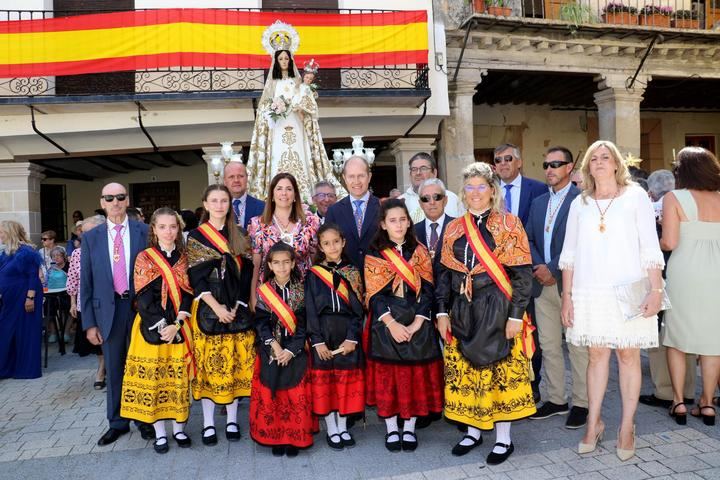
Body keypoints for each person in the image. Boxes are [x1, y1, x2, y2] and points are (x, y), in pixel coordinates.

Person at [560, 140, 665, 461]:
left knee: (629, 357)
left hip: (629, 290)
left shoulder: (635, 197)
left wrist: (656, 291)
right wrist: (567, 297)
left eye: (606, 157)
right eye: (594, 159)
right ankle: (594, 423)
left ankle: (626, 427)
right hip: (590, 291)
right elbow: (570, 253)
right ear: (588, 167)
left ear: (617, 164)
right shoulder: (580, 203)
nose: (600, 162)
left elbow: (650, 246)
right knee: (595, 356)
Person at [435, 162, 535, 465]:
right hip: (462, 310)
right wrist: (441, 312)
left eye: (481, 186)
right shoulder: (453, 227)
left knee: (497, 373)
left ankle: (503, 439)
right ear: (463, 193)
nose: (475, 192)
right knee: (467, 373)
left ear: (493, 191)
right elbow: (443, 274)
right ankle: (473, 431)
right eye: (470, 187)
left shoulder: (509, 224)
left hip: (498, 308)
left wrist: (516, 316)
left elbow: (522, 275)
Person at [364, 198, 443, 453]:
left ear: (409, 222)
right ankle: (391, 429)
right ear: (383, 225)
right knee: (390, 380)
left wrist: (419, 320)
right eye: (392, 221)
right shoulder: (374, 253)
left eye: (402, 219)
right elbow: (374, 295)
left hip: (417, 322)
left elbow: (429, 289)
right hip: (386, 323)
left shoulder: (419, 251)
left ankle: (408, 429)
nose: (398, 225)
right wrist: (391, 324)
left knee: (413, 377)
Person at [80, 182, 153, 445]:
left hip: (139, 310)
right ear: (102, 202)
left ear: (127, 200)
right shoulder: (91, 237)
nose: (115, 202)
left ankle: (145, 420)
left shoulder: (144, 231)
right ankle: (117, 422)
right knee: (114, 369)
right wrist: (89, 323)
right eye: (109, 198)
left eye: (120, 197)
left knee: (141, 367)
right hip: (106, 311)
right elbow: (85, 282)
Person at [121, 208, 195, 454]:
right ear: (153, 229)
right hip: (151, 326)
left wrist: (178, 324)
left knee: (177, 380)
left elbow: (187, 293)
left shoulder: (185, 256)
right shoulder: (145, 257)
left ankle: (179, 429)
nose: (168, 231)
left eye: (173, 226)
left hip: (179, 326)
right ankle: (160, 433)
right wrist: (164, 326)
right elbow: (142, 298)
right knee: (156, 381)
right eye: (162, 227)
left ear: (179, 228)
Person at [187, 184, 255, 446]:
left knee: (234, 366)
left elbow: (246, 273)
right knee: (209, 369)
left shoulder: (239, 234)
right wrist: (216, 307)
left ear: (230, 204)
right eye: (213, 201)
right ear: (205, 204)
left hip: (236, 309)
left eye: (223, 200)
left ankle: (232, 421)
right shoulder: (196, 236)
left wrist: (237, 305)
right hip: (208, 308)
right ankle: (207, 425)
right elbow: (195, 276)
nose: (219, 205)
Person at [526, 147, 588, 429]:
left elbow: (579, 244)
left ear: (569, 167)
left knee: (576, 346)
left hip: (572, 285)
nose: (549, 169)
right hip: (543, 286)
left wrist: (551, 268)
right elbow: (528, 238)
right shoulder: (539, 202)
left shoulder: (582, 201)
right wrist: (540, 267)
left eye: (556, 164)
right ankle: (556, 400)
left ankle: (583, 402)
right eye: (546, 164)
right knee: (549, 345)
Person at [246, 21, 342, 202]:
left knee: (299, 153)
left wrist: (300, 104)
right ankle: (276, 191)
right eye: (280, 59)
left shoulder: (297, 81)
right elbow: (263, 108)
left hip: (296, 124)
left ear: (290, 60)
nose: (283, 62)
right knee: (278, 155)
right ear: (275, 60)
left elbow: (306, 100)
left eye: (286, 59)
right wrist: (275, 107)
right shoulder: (272, 84)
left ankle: (304, 193)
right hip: (278, 126)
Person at [661, 147, 720, 427]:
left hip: (686, 272)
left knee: (677, 339)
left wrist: (660, 231)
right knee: (712, 342)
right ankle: (707, 403)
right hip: (716, 274)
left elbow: (669, 243)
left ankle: (679, 401)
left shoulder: (675, 197)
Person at [250, 242, 317, 457]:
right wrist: (274, 345)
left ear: (293, 263)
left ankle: (294, 438)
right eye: (276, 263)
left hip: (295, 349)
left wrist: (291, 350)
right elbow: (260, 322)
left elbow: (305, 322)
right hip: (271, 349)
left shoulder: (302, 288)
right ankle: (275, 437)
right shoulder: (264, 291)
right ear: (269, 264)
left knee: (293, 395)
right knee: (274, 394)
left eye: (286, 262)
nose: (281, 267)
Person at [493, 143, 546, 401]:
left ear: (519, 161)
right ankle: (507, 385)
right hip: (496, 277)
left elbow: (541, 230)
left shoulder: (538, 189)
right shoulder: (489, 193)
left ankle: (533, 386)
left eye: (508, 159)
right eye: (498, 160)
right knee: (503, 331)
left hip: (530, 273)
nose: (503, 164)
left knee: (531, 331)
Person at [306, 223, 365, 450]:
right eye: (326, 243)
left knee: (344, 384)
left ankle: (342, 425)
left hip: (346, 333)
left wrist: (353, 337)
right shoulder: (313, 275)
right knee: (326, 385)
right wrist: (317, 340)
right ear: (320, 247)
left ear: (344, 242)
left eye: (336, 242)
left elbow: (359, 310)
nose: (332, 247)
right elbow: (310, 310)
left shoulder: (353, 271)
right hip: (323, 332)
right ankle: (331, 428)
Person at [640, 169, 696, 410]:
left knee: (659, 337)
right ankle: (689, 390)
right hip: (688, 275)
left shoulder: (650, 208)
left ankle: (665, 391)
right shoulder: (688, 203)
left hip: (659, 277)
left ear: (651, 192)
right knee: (685, 334)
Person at [248, 173, 320, 309]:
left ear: (295, 195)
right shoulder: (257, 224)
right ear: (272, 195)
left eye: (289, 189)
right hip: (269, 293)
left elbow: (316, 260)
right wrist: (252, 296)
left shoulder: (310, 222)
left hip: (303, 293)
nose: (284, 193)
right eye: (279, 188)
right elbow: (256, 264)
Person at [0, 220, 43, 379]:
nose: (0, 236)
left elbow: (33, 276)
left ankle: (26, 369)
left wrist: (30, 297)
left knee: (26, 332)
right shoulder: (6, 252)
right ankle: (7, 368)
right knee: (6, 331)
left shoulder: (26, 252)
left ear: (10, 232)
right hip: (10, 300)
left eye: (1, 232)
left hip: (24, 298)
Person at [67, 215, 105, 389]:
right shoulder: (77, 253)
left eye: (88, 232)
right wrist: (73, 302)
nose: (84, 236)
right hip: (87, 303)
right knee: (96, 341)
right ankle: (102, 369)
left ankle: (106, 370)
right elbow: (73, 279)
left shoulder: (111, 250)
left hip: (108, 303)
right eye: (82, 233)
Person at [325, 156, 381, 271]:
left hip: (379, 277)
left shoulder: (383, 208)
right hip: (345, 279)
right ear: (344, 178)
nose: (356, 181)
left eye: (361, 176)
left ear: (369, 177)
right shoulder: (333, 211)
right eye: (351, 176)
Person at [400, 152, 464, 223]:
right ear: (410, 174)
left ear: (434, 173)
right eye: (414, 169)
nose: (418, 173)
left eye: (423, 168)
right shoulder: (401, 202)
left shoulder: (452, 198)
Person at [414, 178, 455, 274]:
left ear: (445, 200)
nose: (432, 202)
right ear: (420, 204)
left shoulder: (458, 227)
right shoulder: (412, 231)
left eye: (437, 197)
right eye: (426, 199)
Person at [223, 161, 265, 230]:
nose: (236, 180)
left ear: (247, 178)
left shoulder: (262, 206)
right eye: (231, 177)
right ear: (224, 181)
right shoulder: (218, 207)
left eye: (240, 176)